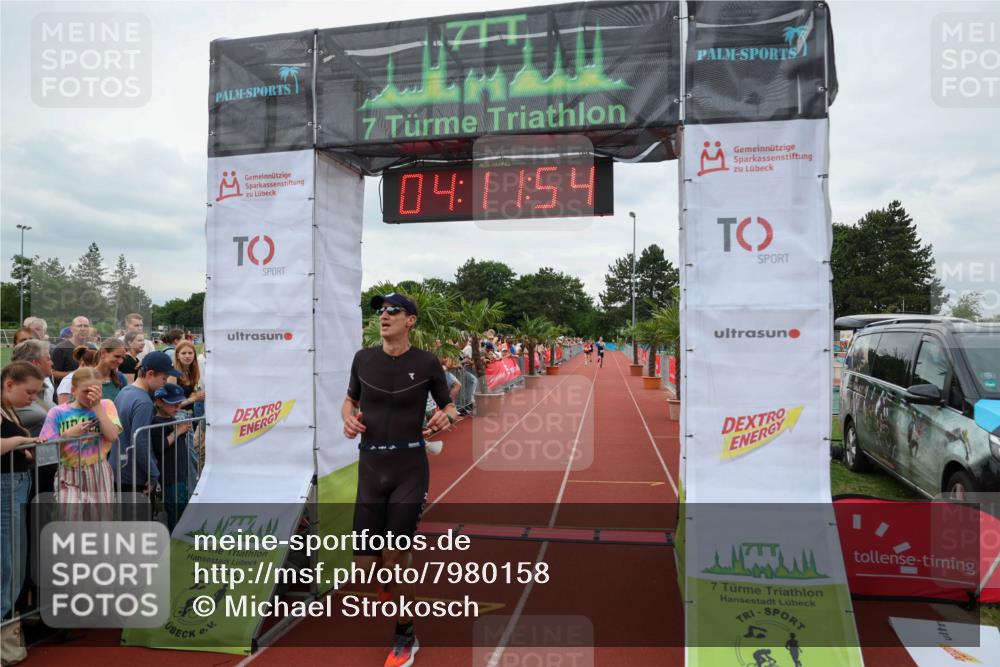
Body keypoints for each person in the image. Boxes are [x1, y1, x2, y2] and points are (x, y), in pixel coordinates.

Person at [341, 293, 457, 667]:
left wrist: (447, 417)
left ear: (411, 321)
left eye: (393, 311)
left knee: (394, 557)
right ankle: (389, 582)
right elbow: (349, 401)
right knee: (363, 565)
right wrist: (348, 418)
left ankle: (406, 635)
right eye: (380, 311)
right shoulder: (363, 359)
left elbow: (450, 404)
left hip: (409, 467)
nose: (384, 316)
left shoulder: (426, 362)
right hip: (371, 466)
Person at [1, 361, 44, 659]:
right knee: (8, 565)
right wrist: (22, 440)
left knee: (13, 564)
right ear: (9, 384)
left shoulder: (8, 409)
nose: (33, 398)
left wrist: (23, 448)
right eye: (29, 392)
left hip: (15, 484)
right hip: (6, 488)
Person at [39, 367, 122, 520]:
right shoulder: (57, 412)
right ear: (73, 390)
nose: (91, 396)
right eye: (86, 391)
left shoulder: (106, 405)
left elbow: (112, 436)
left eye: (96, 391)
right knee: (71, 522)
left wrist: (97, 406)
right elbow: (46, 451)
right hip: (68, 473)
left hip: (98, 471)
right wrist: (67, 435)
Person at [113, 351, 179, 495]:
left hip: (119, 469)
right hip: (134, 475)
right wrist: (153, 473)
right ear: (150, 374)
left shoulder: (125, 391)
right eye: (164, 378)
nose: (165, 382)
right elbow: (140, 442)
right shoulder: (144, 402)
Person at [149, 383, 191, 531]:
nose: (177, 407)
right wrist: (178, 432)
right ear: (159, 402)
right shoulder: (155, 422)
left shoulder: (173, 419)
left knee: (182, 506)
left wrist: (182, 431)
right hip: (169, 475)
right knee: (174, 509)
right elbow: (160, 446)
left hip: (180, 472)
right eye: (173, 404)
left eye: (179, 403)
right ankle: (175, 538)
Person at [56, 339, 128, 404]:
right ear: (103, 353)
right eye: (117, 356)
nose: (120, 361)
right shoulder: (84, 377)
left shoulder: (120, 378)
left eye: (122, 358)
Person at [10, 340, 55, 435]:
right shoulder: (11, 391)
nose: (52, 363)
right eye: (48, 359)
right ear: (35, 363)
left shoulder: (44, 388)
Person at [50, 315, 91, 383]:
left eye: (86, 326)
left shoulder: (92, 348)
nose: (83, 329)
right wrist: (75, 374)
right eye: (79, 326)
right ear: (71, 329)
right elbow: (53, 374)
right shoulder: (61, 349)